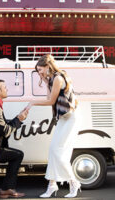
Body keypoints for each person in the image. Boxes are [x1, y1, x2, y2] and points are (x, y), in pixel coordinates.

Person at [26, 54, 81, 198]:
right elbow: (49, 98)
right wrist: (45, 81)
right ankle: (52, 185)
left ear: (47, 66)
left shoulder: (58, 78)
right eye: (38, 71)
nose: (39, 73)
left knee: (58, 151)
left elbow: (50, 102)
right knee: (53, 151)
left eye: (40, 69)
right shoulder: (52, 79)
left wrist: (32, 102)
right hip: (63, 119)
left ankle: (73, 182)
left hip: (70, 119)